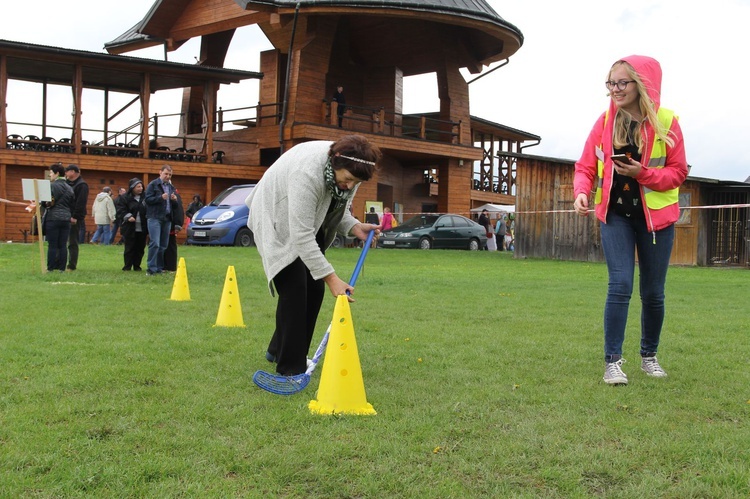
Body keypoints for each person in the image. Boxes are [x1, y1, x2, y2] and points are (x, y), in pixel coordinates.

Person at [573, 55, 688, 385]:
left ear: (642, 84)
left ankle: (649, 357)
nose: (615, 90)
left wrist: (644, 174)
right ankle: (612, 362)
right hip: (615, 217)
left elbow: (678, 173)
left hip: (657, 223)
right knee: (620, 284)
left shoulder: (668, 123)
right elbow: (585, 167)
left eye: (622, 82)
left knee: (653, 293)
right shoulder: (604, 122)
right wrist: (582, 191)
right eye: (611, 83)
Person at [245, 134, 381, 376]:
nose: (350, 186)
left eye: (356, 182)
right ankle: (290, 368)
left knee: (313, 288)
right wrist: (332, 278)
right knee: (295, 288)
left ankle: (278, 349)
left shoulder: (351, 171)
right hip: (275, 213)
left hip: (306, 220)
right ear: (335, 162)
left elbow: (337, 206)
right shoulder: (307, 173)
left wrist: (354, 226)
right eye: (348, 179)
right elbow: (301, 236)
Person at [144, 164, 179, 275]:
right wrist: (160, 198)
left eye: (170, 174)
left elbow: (175, 206)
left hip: (167, 218)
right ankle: (151, 268)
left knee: (163, 245)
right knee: (155, 243)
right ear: (160, 173)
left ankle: (159, 268)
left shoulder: (171, 187)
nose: (168, 176)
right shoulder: (153, 185)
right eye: (166, 174)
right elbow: (147, 200)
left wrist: (174, 200)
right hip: (154, 217)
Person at [43, 164, 75, 272]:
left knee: (52, 245)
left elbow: (45, 203)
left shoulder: (51, 186)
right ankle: (62, 268)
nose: (50, 175)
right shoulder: (70, 188)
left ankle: (51, 268)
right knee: (62, 245)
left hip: (53, 218)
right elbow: (72, 204)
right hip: (66, 219)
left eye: (51, 172)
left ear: (57, 173)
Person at [116, 178, 148, 271]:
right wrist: (128, 216)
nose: (140, 188)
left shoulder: (145, 197)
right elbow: (120, 210)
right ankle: (127, 266)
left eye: (141, 186)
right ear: (132, 187)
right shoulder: (124, 198)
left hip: (142, 227)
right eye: (138, 186)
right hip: (129, 227)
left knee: (140, 248)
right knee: (129, 247)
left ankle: (137, 266)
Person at [65, 164, 89, 270]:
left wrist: (75, 216)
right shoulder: (67, 183)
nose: (65, 173)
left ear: (73, 172)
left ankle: (72, 265)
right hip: (65, 214)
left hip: (75, 217)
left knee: (72, 242)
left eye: (67, 171)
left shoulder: (82, 185)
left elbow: (81, 202)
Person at [164, 187, 184, 272]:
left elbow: (179, 210)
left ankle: (171, 266)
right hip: (164, 223)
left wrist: (178, 224)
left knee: (170, 245)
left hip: (171, 224)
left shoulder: (174, 194)